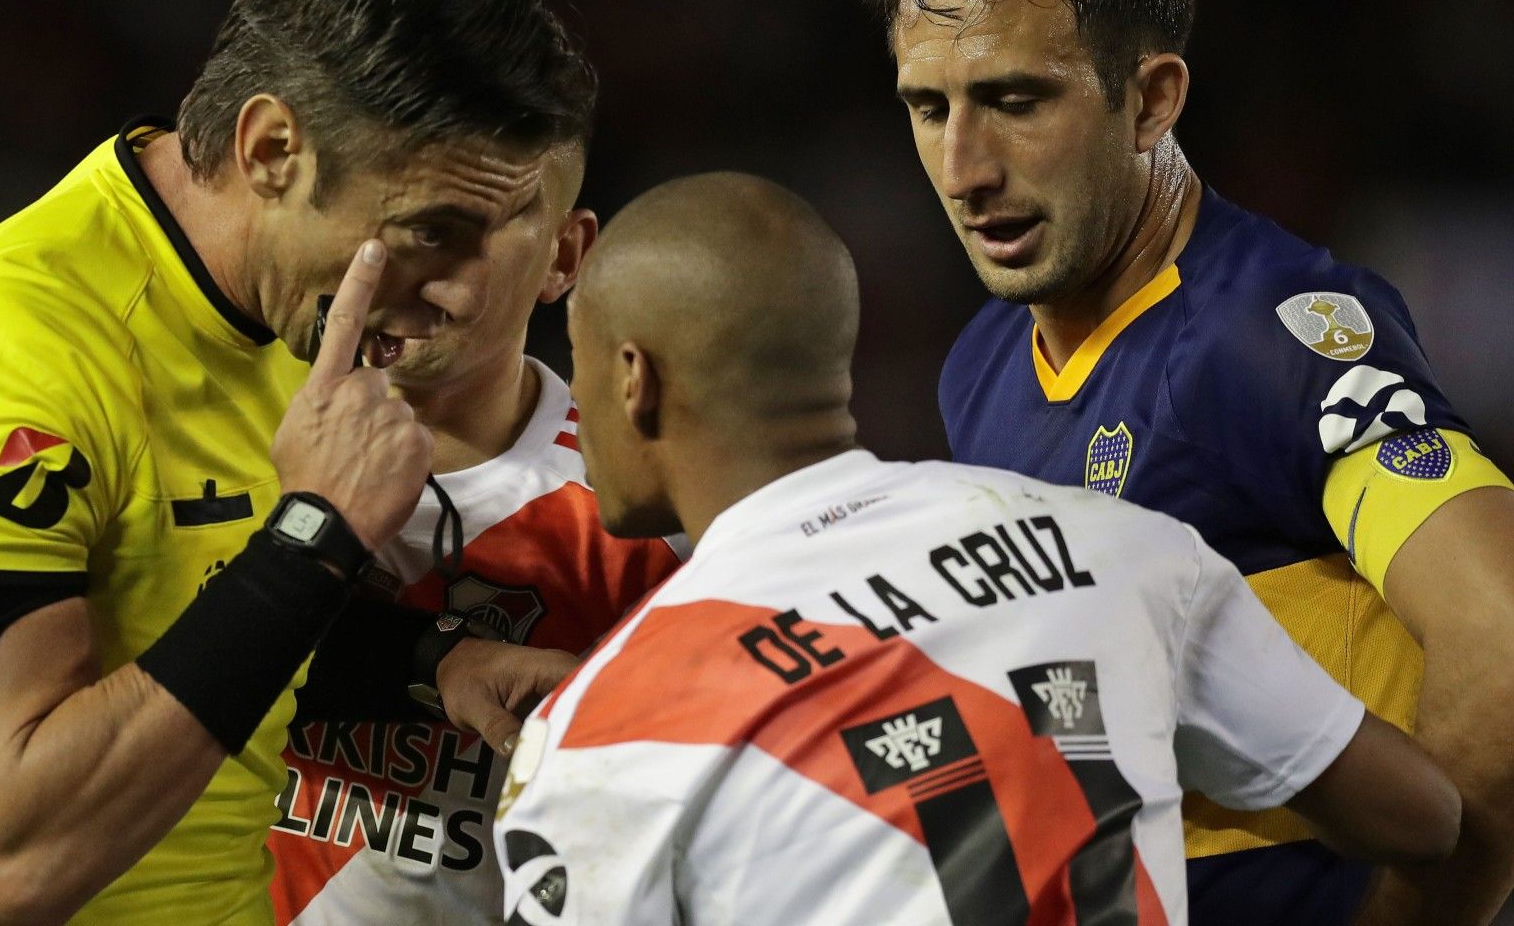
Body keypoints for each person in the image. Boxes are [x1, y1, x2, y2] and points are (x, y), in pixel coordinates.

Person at [0, 0, 596, 925]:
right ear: (273, 146)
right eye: (429, 231)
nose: (459, 292)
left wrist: (427, 664)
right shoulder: (10, 366)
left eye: (493, 235)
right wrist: (315, 538)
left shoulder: (281, 308)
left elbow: (183, 615)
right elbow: (16, 855)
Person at [492, 172, 1460, 925]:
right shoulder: (1121, 547)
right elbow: (1426, 817)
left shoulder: (604, 739)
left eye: (575, 361)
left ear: (633, 377)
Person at [863, 0, 1514, 922]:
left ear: (1152, 98)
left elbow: (1500, 648)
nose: (964, 168)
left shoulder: (1266, 341)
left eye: (1016, 100)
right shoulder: (980, 363)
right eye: (929, 108)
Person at [263, 124, 682, 920]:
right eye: (392, 226)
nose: (414, 274)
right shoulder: (221, 443)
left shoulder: (653, 514)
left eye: (464, 233)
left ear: (564, 256)